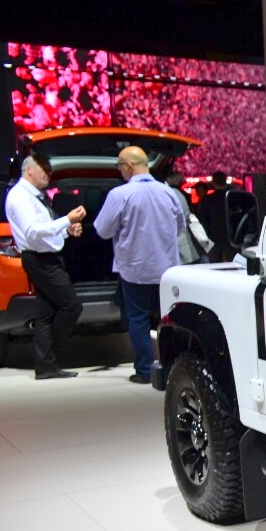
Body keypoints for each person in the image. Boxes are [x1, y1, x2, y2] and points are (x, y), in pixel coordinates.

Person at [93, 146, 185, 384]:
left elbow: (102, 230)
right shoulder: (168, 192)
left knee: (139, 320)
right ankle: (173, 368)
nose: (119, 171)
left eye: (119, 167)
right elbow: (180, 227)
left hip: (135, 270)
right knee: (169, 320)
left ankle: (144, 371)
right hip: (167, 270)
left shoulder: (120, 194)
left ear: (129, 166)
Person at [4, 153, 88, 378]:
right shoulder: (21, 196)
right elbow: (32, 232)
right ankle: (54, 352)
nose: (48, 173)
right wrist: (67, 220)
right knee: (72, 306)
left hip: (44, 256)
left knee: (45, 313)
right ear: (29, 170)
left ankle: (45, 365)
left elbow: (44, 229)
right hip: (39, 259)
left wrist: (67, 230)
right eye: (44, 169)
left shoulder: (35, 197)